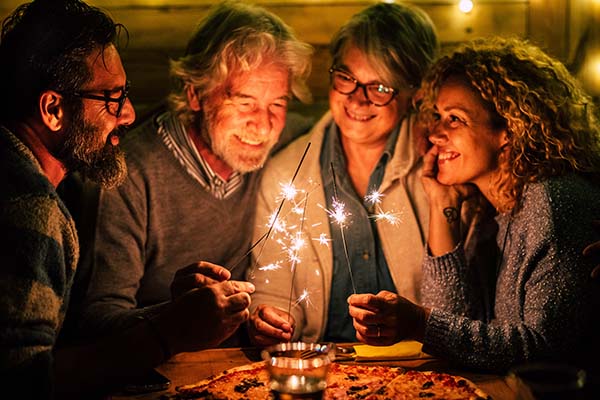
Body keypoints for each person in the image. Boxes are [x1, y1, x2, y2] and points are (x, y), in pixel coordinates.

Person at [0, 0, 254, 398]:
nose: (129, 114)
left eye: (126, 94)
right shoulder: (27, 209)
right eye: (112, 98)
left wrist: (174, 314)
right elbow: (22, 383)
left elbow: (65, 342)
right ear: (53, 109)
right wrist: (166, 334)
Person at [348, 37, 600, 372]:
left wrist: (419, 322)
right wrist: (441, 206)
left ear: (508, 129)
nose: (435, 133)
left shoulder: (552, 202)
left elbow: (543, 351)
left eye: (454, 119)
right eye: (436, 116)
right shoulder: (493, 209)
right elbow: (459, 328)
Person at [74, 0, 313, 347]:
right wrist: (175, 316)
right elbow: (94, 320)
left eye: (277, 103)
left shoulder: (287, 142)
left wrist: (255, 318)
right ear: (196, 94)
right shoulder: (126, 176)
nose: (263, 124)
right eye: (244, 101)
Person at [246, 2, 469, 345]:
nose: (357, 99)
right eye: (346, 78)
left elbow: (461, 307)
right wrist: (268, 318)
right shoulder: (286, 173)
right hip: (321, 365)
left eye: (380, 87)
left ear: (415, 93)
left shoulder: (443, 166)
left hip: (421, 366)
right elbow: (273, 288)